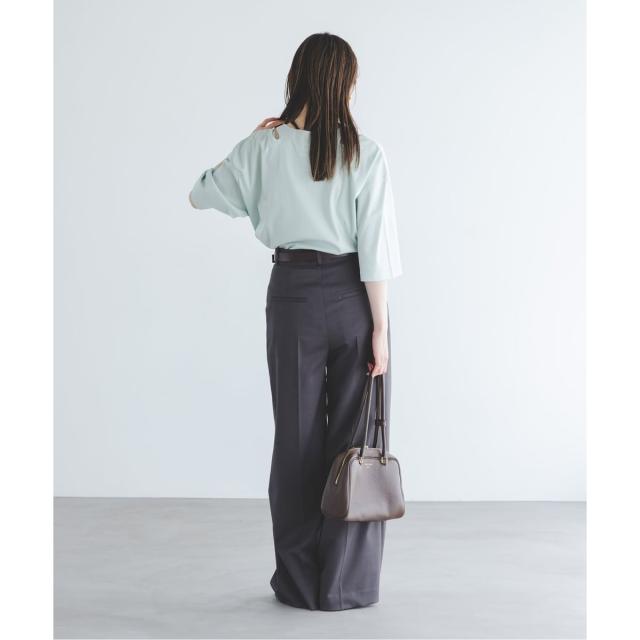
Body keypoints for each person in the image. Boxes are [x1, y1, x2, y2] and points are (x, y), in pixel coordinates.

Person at [188, 32, 402, 611]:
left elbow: (201, 194)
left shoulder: (264, 146)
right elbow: (376, 249)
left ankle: (299, 582)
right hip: (353, 296)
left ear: (297, 78)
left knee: (296, 440)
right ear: (345, 84)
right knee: (355, 442)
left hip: (291, 298)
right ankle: (346, 584)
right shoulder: (365, 153)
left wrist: (257, 151)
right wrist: (381, 329)